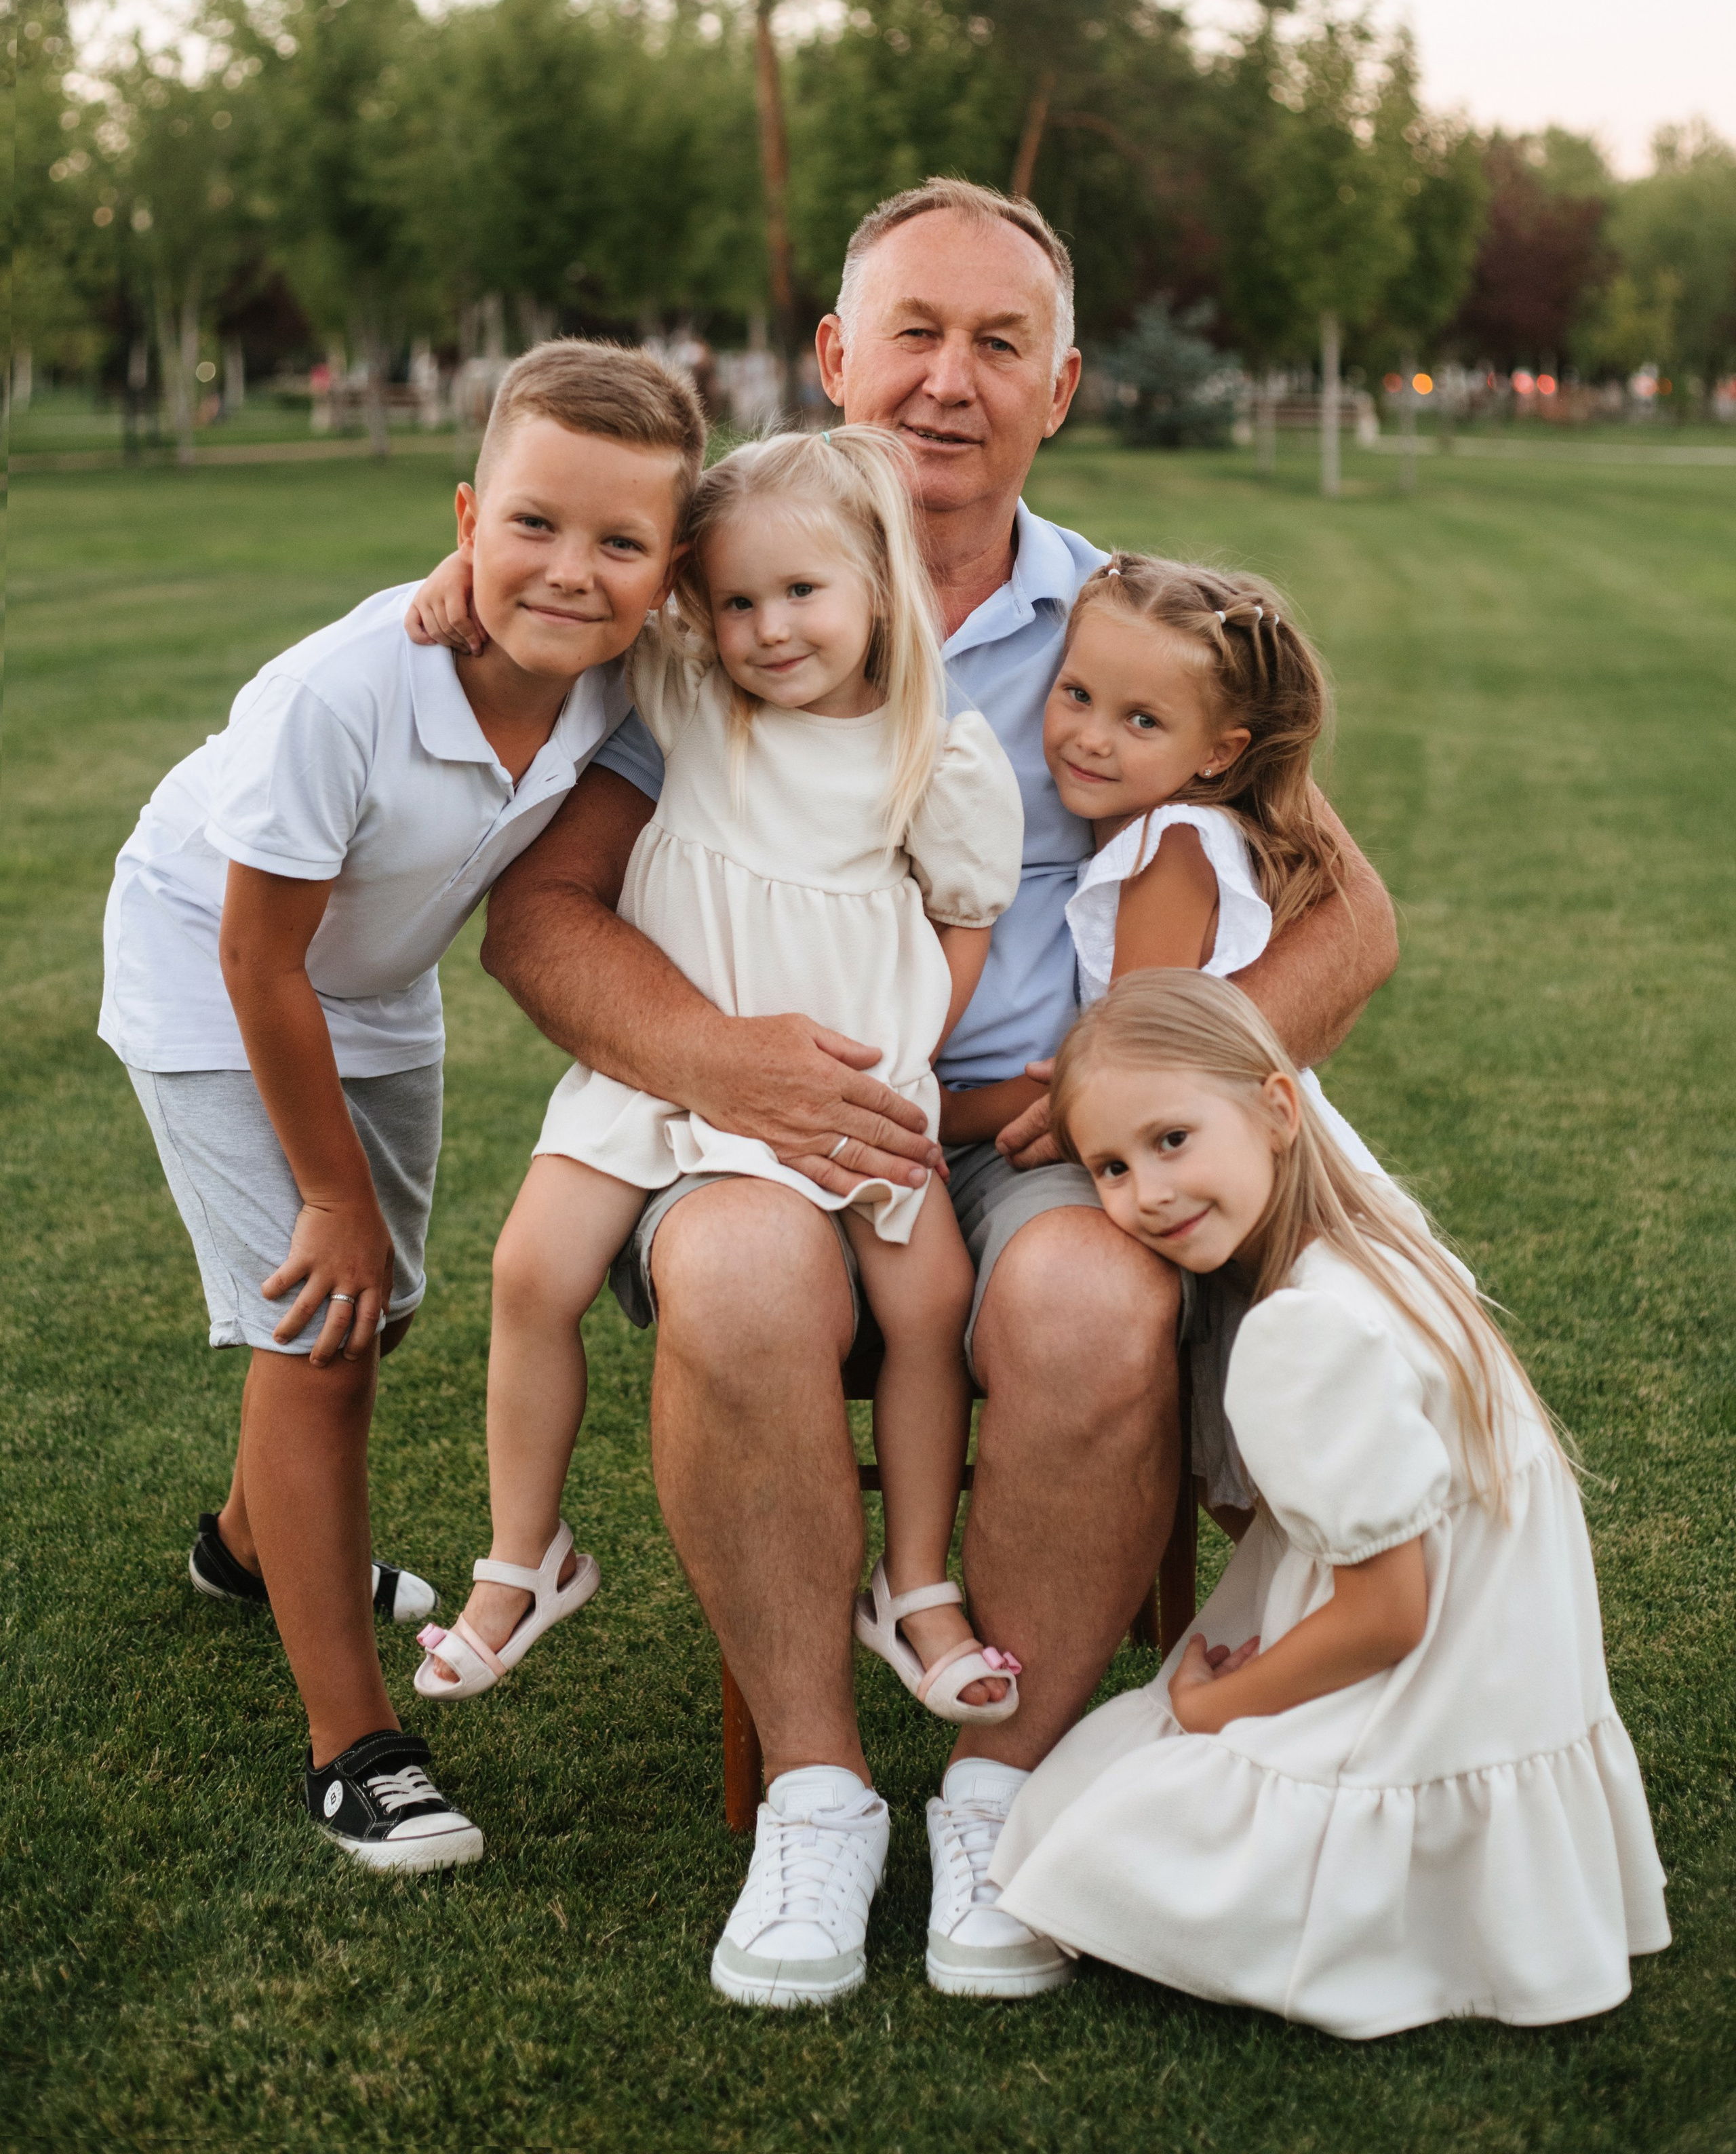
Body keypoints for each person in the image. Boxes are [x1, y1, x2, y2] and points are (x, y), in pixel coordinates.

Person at [450, 178, 1398, 2003]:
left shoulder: (1125, 621)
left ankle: (998, 1786)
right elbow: (543, 923)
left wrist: (1159, 1096)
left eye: (999, 344)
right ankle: (820, 1789)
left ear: (1064, 386)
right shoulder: (726, 579)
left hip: (1036, 1145)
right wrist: (727, 1066)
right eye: (912, 331)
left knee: (1092, 1292)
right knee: (732, 1274)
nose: (949, 380)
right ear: (833, 357)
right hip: (772, 1126)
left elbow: (1349, 921)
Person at [98, 341, 704, 1870]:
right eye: (531, 526)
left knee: (383, 1313)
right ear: (464, 515)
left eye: (620, 543)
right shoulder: (339, 696)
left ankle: (250, 1551)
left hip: (373, 987)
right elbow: (256, 956)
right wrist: (328, 1191)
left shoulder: (624, 673)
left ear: (670, 570)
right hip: (216, 969)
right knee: (319, 1326)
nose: (570, 572)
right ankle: (356, 1748)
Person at [412, 427, 1031, 1748]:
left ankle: (913, 1580)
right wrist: (454, 579)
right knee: (530, 1273)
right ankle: (523, 1561)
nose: (766, 629)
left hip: (842, 1082)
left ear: (877, 581)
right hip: (660, 1072)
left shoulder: (936, 754)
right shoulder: (692, 698)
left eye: (800, 593)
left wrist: (910, 1049)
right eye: (736, 601)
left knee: (927, 1304)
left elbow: (965, 916)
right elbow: (582, 597)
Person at [992, 971, 1670, 2036]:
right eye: (1110, 1167)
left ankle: (1353, 1888)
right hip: (1501, 1690)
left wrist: (1217, 1706)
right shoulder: (1390, 1245)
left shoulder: (1300, 1334)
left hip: (1412, 1696)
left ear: (1277, 1108)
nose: (1147, 1194)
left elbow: (1386, 1617)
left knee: (1064, 1825)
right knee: (1096, 1782)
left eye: (1172, 1140)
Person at [1042, 549, 1385, 1517]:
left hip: (1217, 1169)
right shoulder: (1161, 829)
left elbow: (1136, 1064)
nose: (1092, 739)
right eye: (1076, 695)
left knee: (1281, 1435)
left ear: (1219, 753)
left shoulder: (1164, 848)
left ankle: (1323, 1629)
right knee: (1266, 1439)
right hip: (1206, 1144)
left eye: (1141, 720)